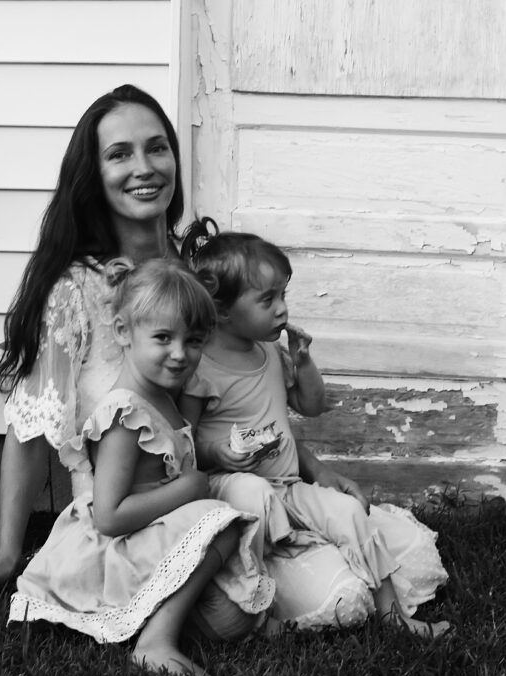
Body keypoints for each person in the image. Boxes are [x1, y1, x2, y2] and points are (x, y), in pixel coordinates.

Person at [0, 83, 380, 633]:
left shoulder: (199, 273)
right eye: (120, 154)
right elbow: (28, 429)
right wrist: (5, 553)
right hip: (137, 523)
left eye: (157, 148)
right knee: (253, 612)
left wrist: (316, 468)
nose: (144, 167)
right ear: (94, 174)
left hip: (231, 493)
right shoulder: (76, 292)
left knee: (352, 592)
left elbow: (243, 400)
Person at [180, 220, 451, 638]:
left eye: (282, 295)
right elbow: (186, 442)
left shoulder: (270, 353)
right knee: (253, 496)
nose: (282, 309)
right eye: (267, 299)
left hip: (287, 486)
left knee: (348, 512)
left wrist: (303, 363)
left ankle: (393, 615)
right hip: (232, 489)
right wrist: (220, 452)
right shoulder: (200, 368)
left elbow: (311, 405)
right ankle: (254, 609)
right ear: (221, 311)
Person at [8, 259, 273, 676]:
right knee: (221, 520)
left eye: (194, 341)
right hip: (119, 549)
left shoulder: (165, 398)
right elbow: (109, 517)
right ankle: (156, 642)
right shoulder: (123, 415)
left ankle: (183, 621)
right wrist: (190, 489)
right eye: (163, 338)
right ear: (122, 333)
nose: (180, 354)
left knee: (231, 590)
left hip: (154, 537)